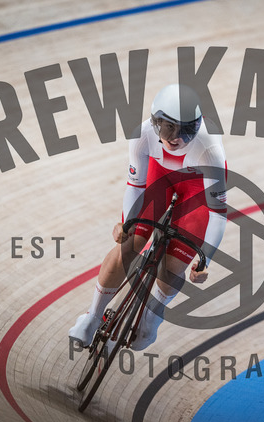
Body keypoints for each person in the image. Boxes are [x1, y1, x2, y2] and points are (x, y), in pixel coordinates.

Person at [69, 84, 227, 351]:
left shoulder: (210, 149)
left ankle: (152, 317)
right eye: (169, 128)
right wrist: (126, 224)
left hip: (195, 190)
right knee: (128, 244)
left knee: (172, 267)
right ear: (156, 123)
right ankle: (92, 316)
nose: (177, 138)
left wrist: (205, 261)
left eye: (186, 130)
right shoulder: (143, 135)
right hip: (159, 177)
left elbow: (218, 214)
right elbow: (136, 186)